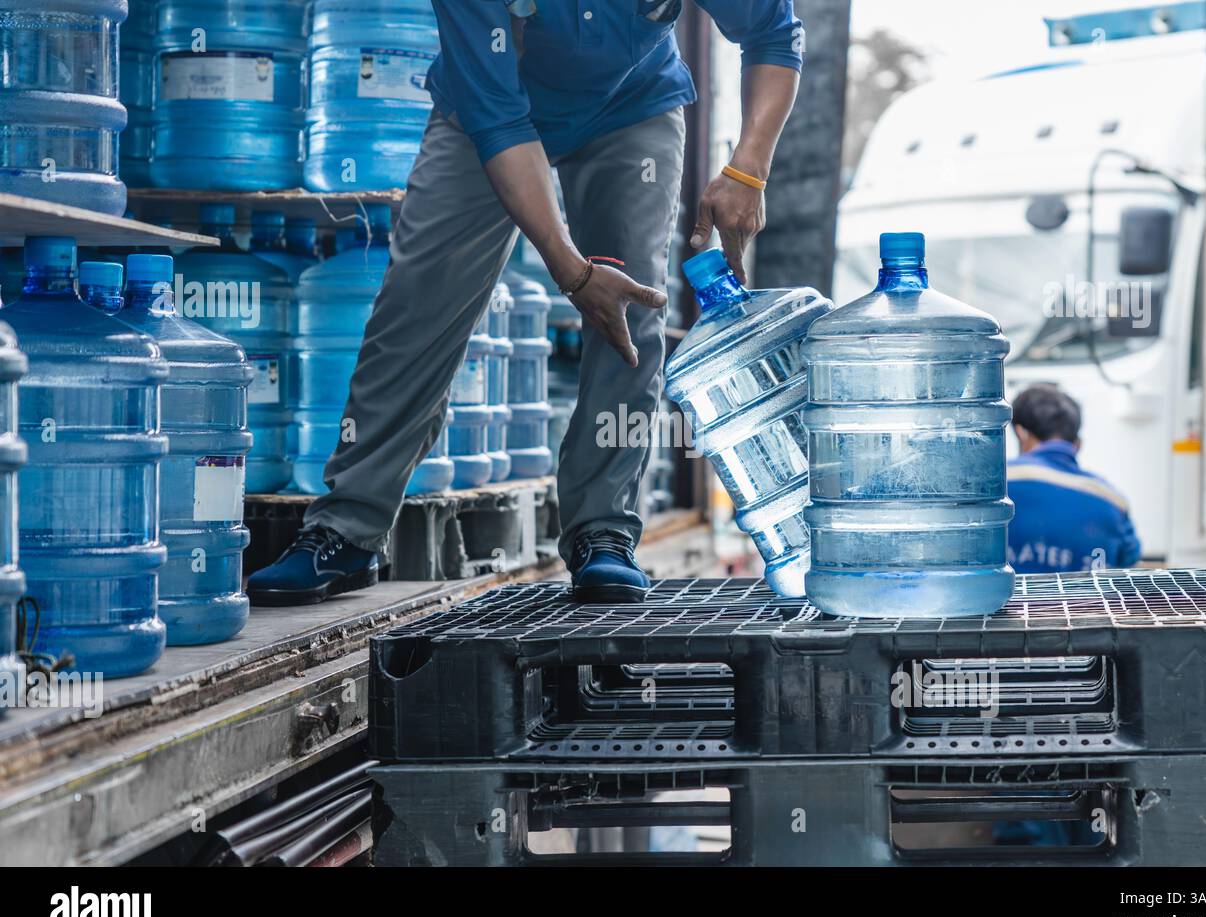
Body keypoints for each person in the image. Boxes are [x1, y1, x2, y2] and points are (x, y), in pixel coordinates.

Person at [247, 0, 805, 607]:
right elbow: (498, 122)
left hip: (631, 106)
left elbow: (773, 34)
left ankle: (603, 532)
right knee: (415, 306)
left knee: (630, 313)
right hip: (487, 109)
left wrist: (748, 171)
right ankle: (348, 528)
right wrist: (571, 270)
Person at [1006, 384, 1141, 573]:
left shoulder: (991, 488)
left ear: (1021, 433)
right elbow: (1129, 559)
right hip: (1088, 603)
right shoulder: (1113, 501)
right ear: (1077, 444)